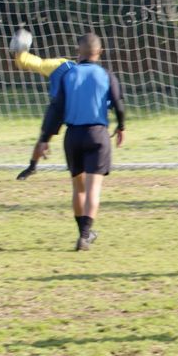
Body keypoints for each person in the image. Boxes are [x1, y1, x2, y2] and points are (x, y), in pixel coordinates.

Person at [35, 33, 126, 251]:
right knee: (93, 189)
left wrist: (44, 139)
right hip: (97, 135)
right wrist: (121, 126)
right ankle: (85, 236)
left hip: (73, 136)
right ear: (100, 52)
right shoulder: (106, 75)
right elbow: (119, 103)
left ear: (78, 52)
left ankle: (82, 234)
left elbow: (56, 109)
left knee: (79, 189)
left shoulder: (68, 75)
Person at [8, 28, 76, 180]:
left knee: (79, 136)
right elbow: (35, 63)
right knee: (44, 138)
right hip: (59, 107)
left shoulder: (74, 68)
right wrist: (21, 53)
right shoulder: (62, 65)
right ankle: (32, 167)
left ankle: (75, 166)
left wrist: (19, 52)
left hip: (74, 107)